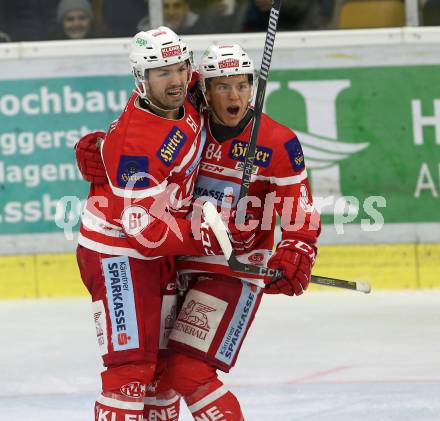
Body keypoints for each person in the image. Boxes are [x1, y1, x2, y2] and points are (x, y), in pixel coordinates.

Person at [76, 42, 320, 419]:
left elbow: (299, 209)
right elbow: (149, 101)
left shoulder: (278, 142)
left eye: (241, 85)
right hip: (177, 258)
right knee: (156, 375)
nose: (233, 94)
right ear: (203, 88)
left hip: (232, 264)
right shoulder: (189, 111)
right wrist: (106, 150)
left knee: (187, 371)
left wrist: (298, 249)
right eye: (222, 85)